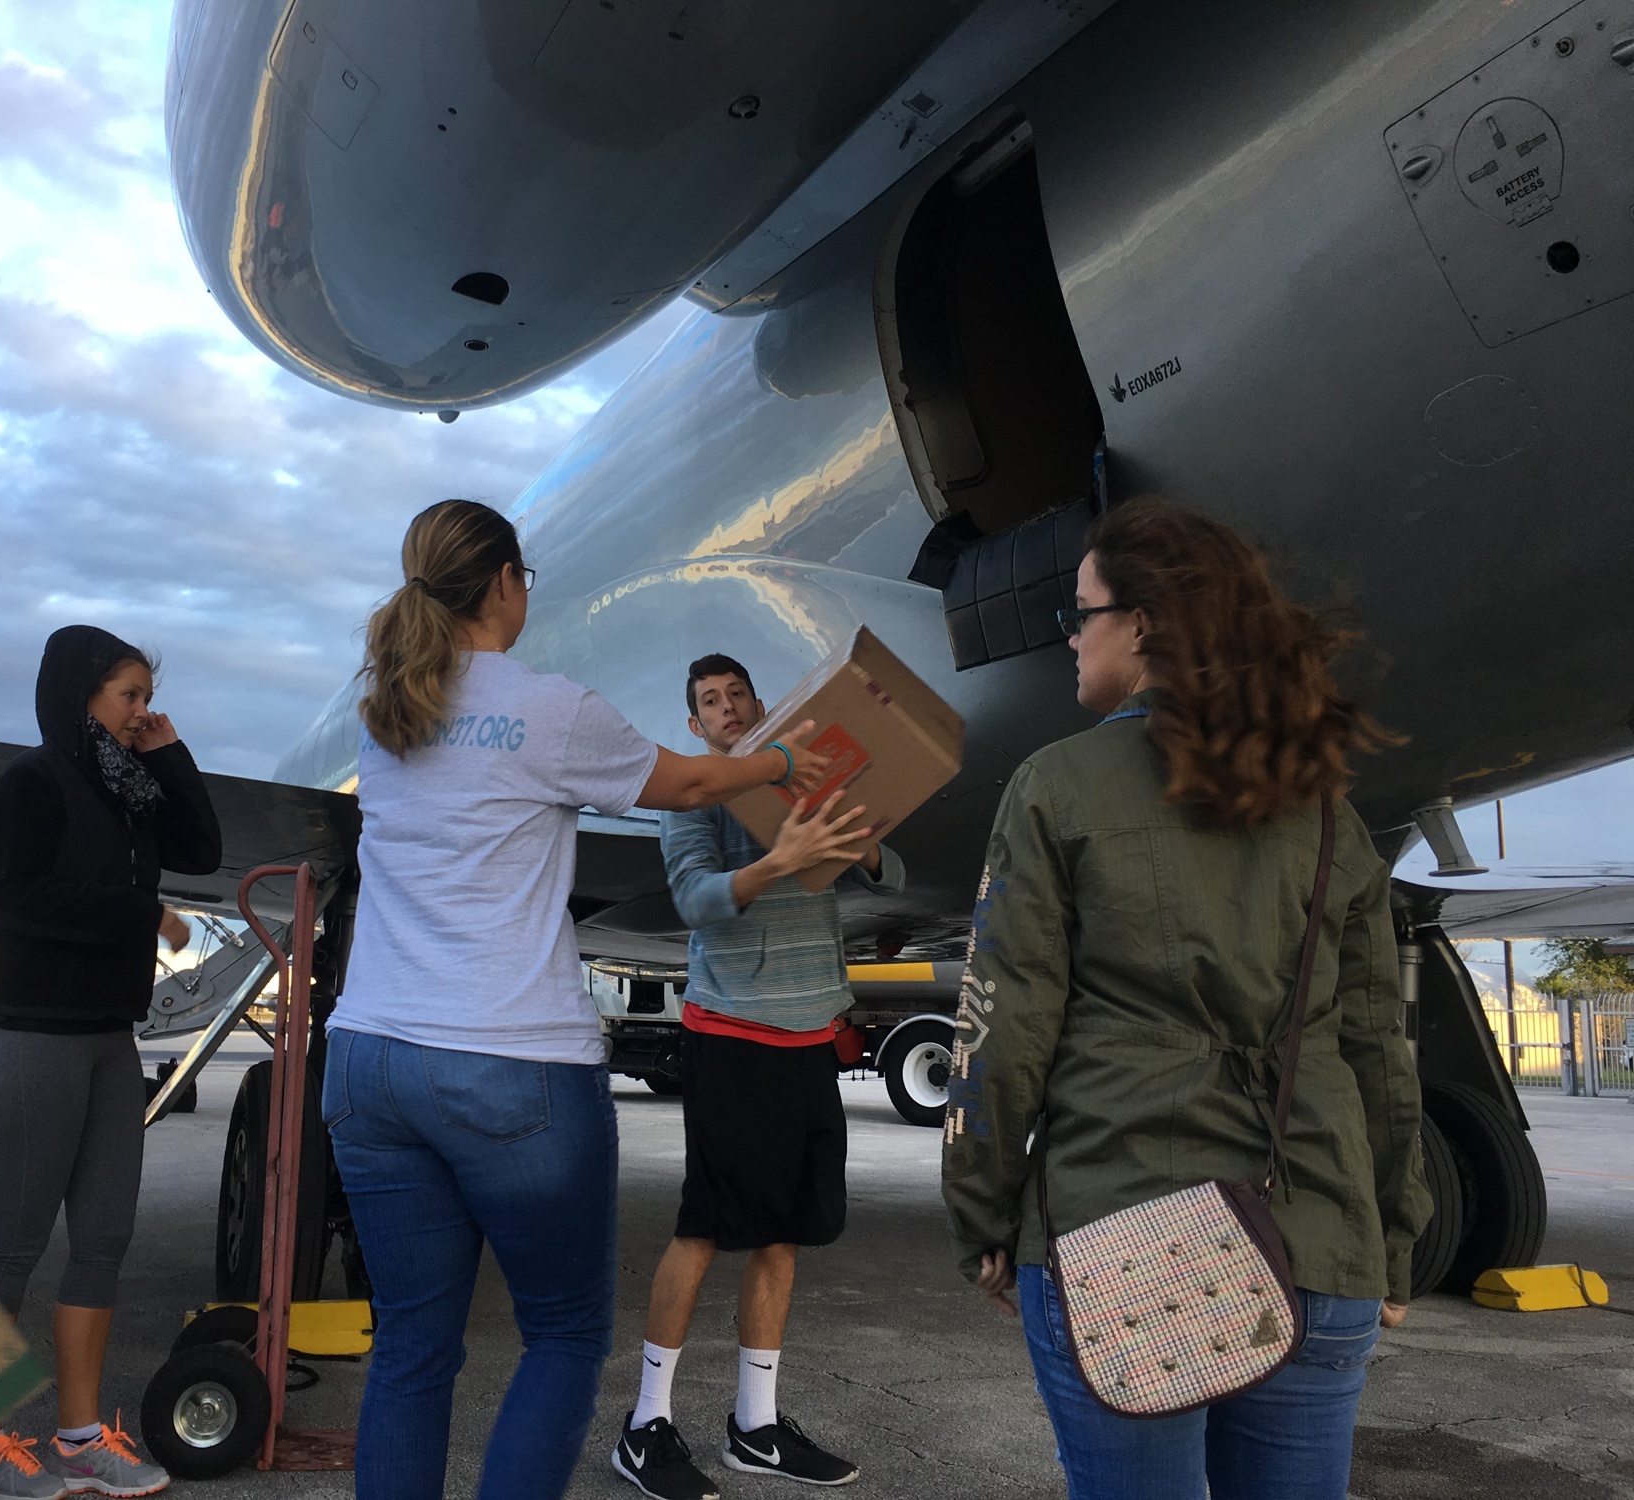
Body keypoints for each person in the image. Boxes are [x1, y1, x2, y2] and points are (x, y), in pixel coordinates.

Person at [321, 499, 834, 1500]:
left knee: (412, 1351)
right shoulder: (546, 707)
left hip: (370, 1055)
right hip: (510, 1062)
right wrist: (780, 759)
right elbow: (685, 786)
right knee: (558, 1335)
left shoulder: (386, 715)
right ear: (507, 582)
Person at [940, 499, 1430, 1500]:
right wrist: (1386, 1240)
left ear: (1145, 622)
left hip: (1125, 1235)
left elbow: (1000, 1029)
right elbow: (1379, 1049)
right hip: (1321, 1242)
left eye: (1082, 612)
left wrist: (981, 1216)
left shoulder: (1052, 788)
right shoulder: (1326, 808)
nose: (1070, 637)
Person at [610, 654, 903, 1498]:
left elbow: (898, 871)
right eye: (710, 701)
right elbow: (696, 901)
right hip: (733, 1037)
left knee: (785, 1236)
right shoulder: (691, 799)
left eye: (738, 694)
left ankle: (756, 1425)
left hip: (812, 1035)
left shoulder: (806, 785)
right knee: (705, 1228)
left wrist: (861, 836)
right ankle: (646, 1425)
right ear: (696, 726)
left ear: (762, 705)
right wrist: (781, 857)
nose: (728, 707)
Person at [0, 626, 221, 1500]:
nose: (141, 712)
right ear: (80, 696)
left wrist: (170, 751)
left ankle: (78, 1437)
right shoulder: (27, 785)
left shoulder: (129, 788)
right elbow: (18, 898)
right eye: (128, 697)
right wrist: (147, 916)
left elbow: (204, 849)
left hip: (106, 1034)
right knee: (14, 1247)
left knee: (103, 1240)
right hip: (32, 1037)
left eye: (145, 697)